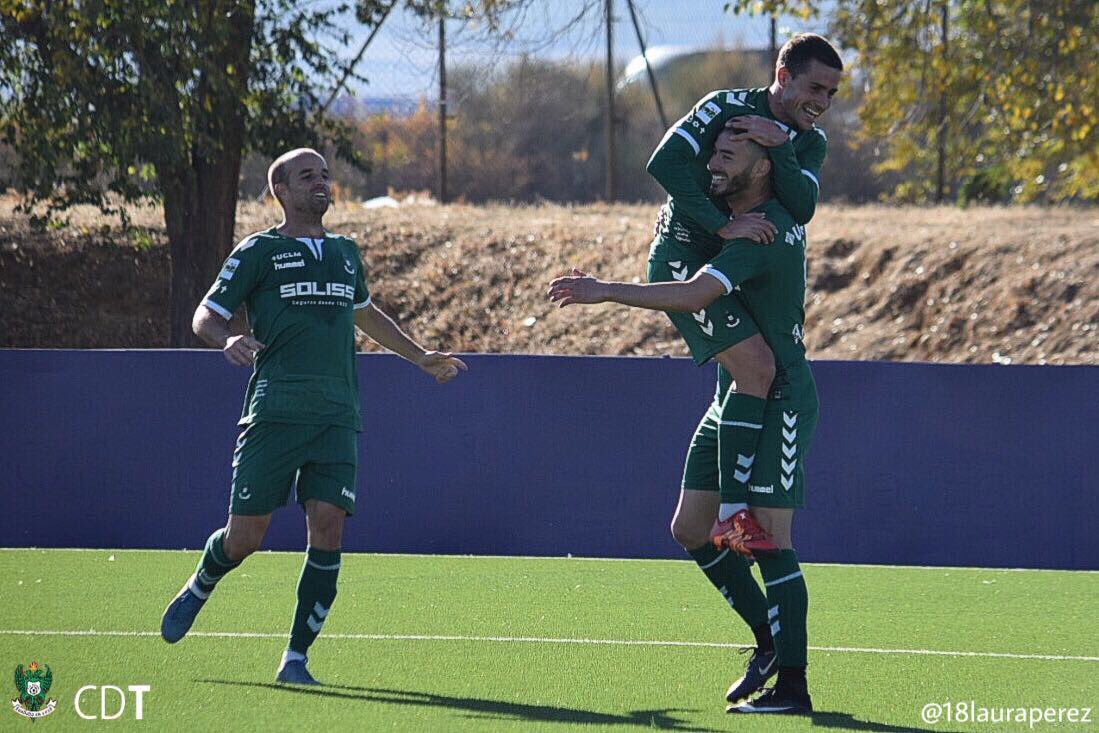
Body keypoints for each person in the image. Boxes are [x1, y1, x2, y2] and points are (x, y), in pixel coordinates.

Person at [160, 148, 467, 685]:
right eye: (308, 177)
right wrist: (226, 335)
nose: (321, 184)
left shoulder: (346, 253)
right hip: (275, 411)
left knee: (327, 530)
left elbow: (366, 313)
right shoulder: (259, 251)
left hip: (337, 415)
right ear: (280, 190)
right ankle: (203, 581)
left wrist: (421, 357)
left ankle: (295, 659)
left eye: (325, 175)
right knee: (244, 539)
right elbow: (204, 314)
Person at [549, 132, 818, 715]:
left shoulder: (764, 227)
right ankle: (768, 642)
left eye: (727, 155)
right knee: (691, 528)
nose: (712, 162)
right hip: (735, 393)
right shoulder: (744, 221)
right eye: (713, 150)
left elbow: (696, 295)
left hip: (780, 400)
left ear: (763, 167)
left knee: (768, 542)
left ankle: (793, 687)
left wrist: (605, 291)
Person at [646, 33, 841, 550]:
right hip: (686, 258)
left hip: (736, 263)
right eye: (815, 87)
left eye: (831, 94)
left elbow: (800, 207)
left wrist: (779, 149)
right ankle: (735, 513)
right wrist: (718, 223)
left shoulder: (808, 141)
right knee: (755, 369)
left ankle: (731, 526)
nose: (821, 102)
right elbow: (662, 164)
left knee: (750, 375)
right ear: (783, 77)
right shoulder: (725, 107)